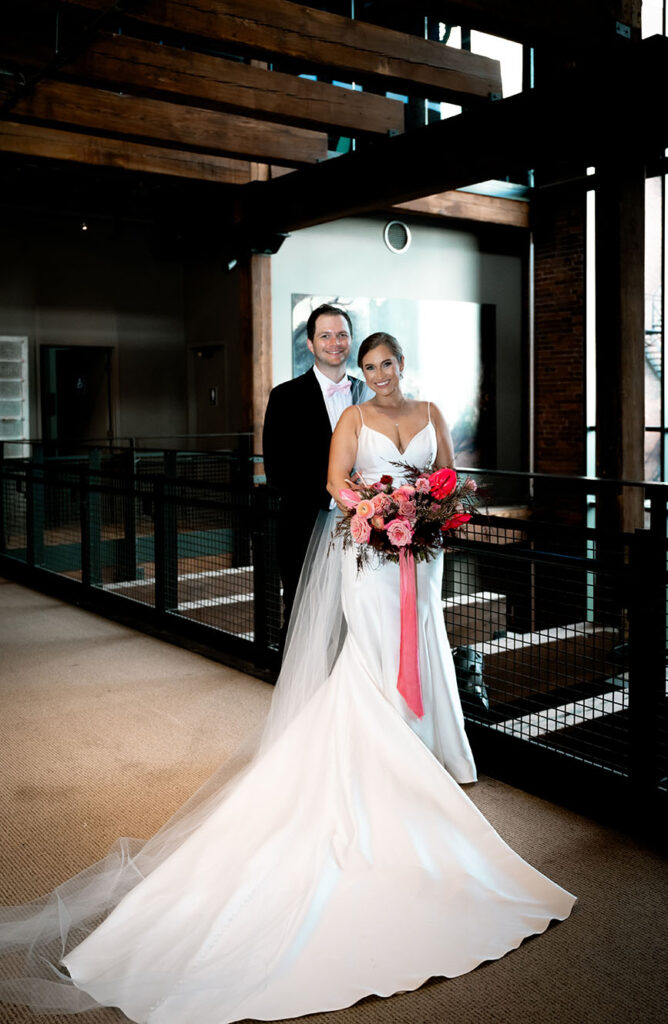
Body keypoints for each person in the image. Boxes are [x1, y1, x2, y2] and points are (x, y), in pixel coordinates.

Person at [0, 333, 575, 1024]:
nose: (380, 374)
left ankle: (424, 750)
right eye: (369, 366)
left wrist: (430, 511)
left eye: (387, 363)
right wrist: (377, 510)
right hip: (370, 561)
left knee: (421, 649)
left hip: (422, 564)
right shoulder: (354, 420)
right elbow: (336, 486)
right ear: (359, 373)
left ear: (402, 366)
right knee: (368, 661)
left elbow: (449, 478)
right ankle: (383, 762)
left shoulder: (430, 412)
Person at [262, 303, 366, 636]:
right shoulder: (285, 397)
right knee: (301, 610)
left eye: (342, 335)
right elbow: (277, 470)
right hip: (305, 524)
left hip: (365, 522)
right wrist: (336, 493)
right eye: (325, 336)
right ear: (310, 343)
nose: (335, 342)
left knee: (360, 609)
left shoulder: (367, 394)